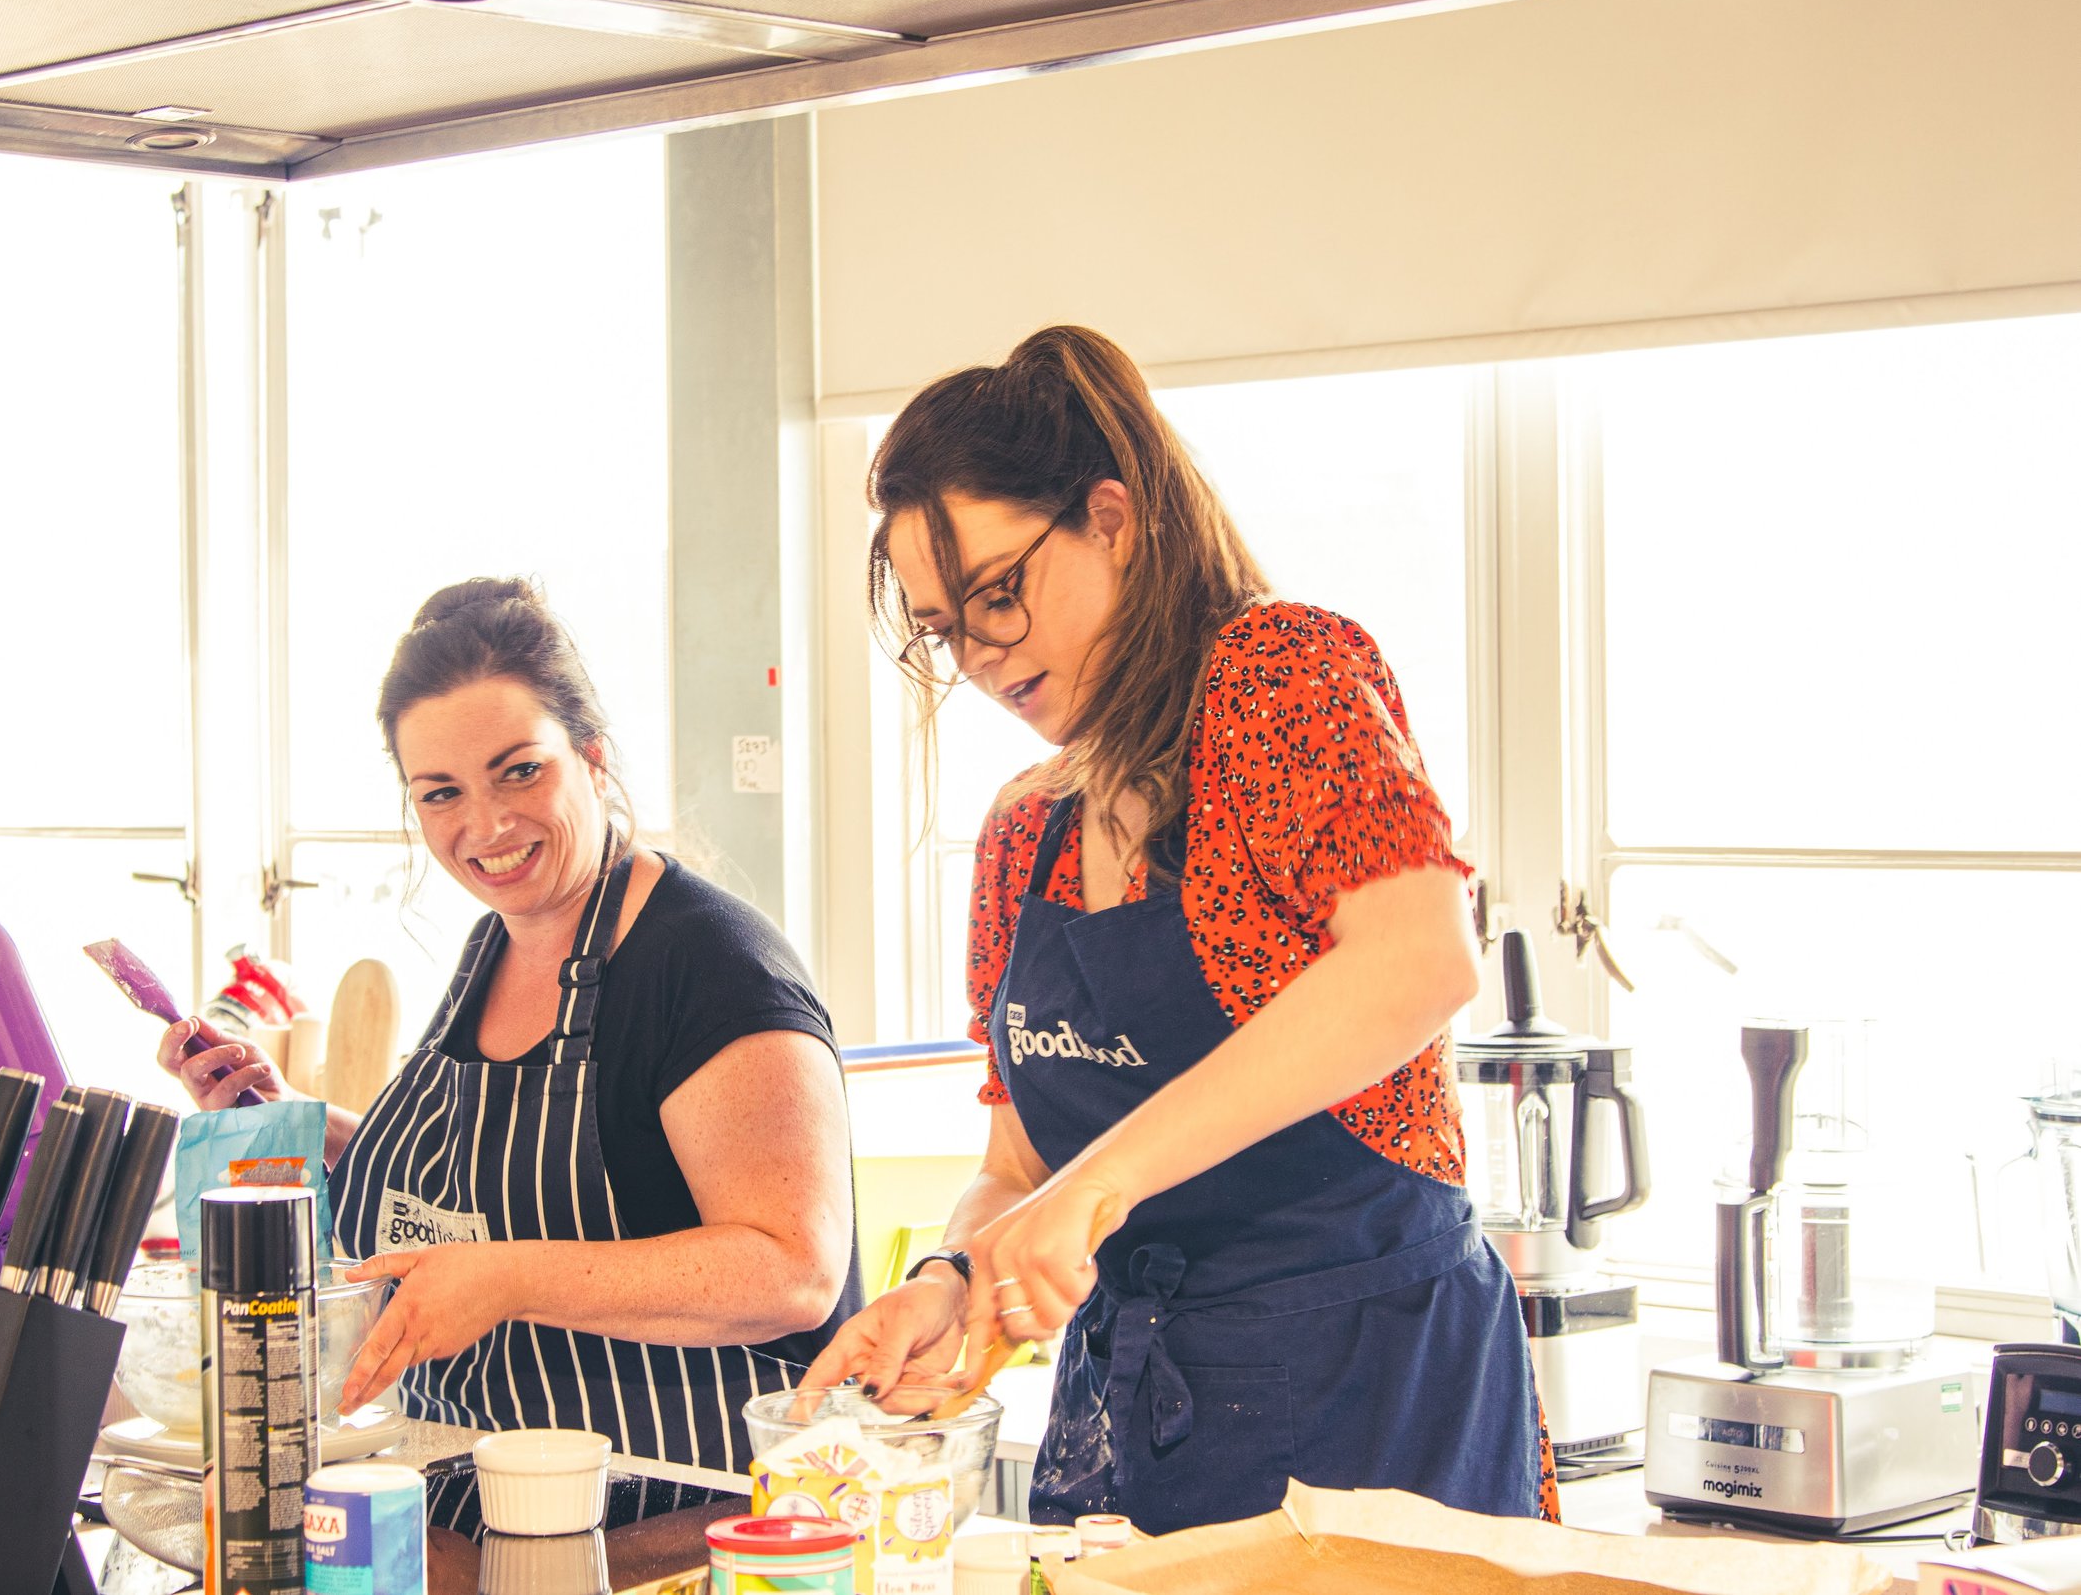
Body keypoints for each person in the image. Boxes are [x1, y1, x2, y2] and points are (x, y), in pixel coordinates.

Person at [798, 326, 1555, 1530]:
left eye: (1001, 592)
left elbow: (1419, 958)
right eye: (949, 628)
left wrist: (1097, 1189)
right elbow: (1017, 1172)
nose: (984, 656)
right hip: (1147, 1418)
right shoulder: (1023, 839)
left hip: (1373, 1407)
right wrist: (955, 1280)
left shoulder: (1280, 676)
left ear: (1112, 518)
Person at [159, 577, 863, 1474]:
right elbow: (472, 1189)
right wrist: (294, 1113)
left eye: (520, 770)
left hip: (684, 1507)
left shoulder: (709, 962)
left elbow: (794, 1268)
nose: (485, 825)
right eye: (440, 793)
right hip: (474, 1483)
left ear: (593, 756)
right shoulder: (493, 946)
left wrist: (507, 1279)